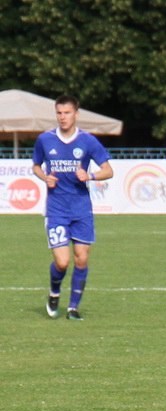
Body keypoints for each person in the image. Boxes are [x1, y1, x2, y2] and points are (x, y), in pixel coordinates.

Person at [31, 94, 113, 321]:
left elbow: (108, 170)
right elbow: (36, 166)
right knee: (62, 261)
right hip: (56, 210)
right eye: (59, 113)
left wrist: (90, 175)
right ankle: (54, 292)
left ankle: (73, 308)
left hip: (81, 210)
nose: (62, 117)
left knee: (82, 259)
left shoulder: (87, 141)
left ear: (76, 114)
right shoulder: (45, 140)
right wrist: (45, 177)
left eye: (67, 113)